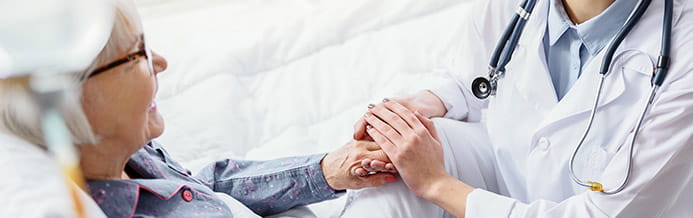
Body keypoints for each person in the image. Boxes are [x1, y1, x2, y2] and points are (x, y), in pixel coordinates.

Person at [0, 0, 396, 217]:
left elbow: (200, 187)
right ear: (76, 100)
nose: (160, 62)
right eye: (137, 54)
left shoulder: (129, 154)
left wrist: (324, 171)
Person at [341, 0, 693, 217]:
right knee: (405, 151)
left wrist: (436, 185)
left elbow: (604, 214)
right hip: (507, 182)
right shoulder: (518, 6)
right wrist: (419, 108)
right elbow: (473, 77)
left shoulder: (683, 47)